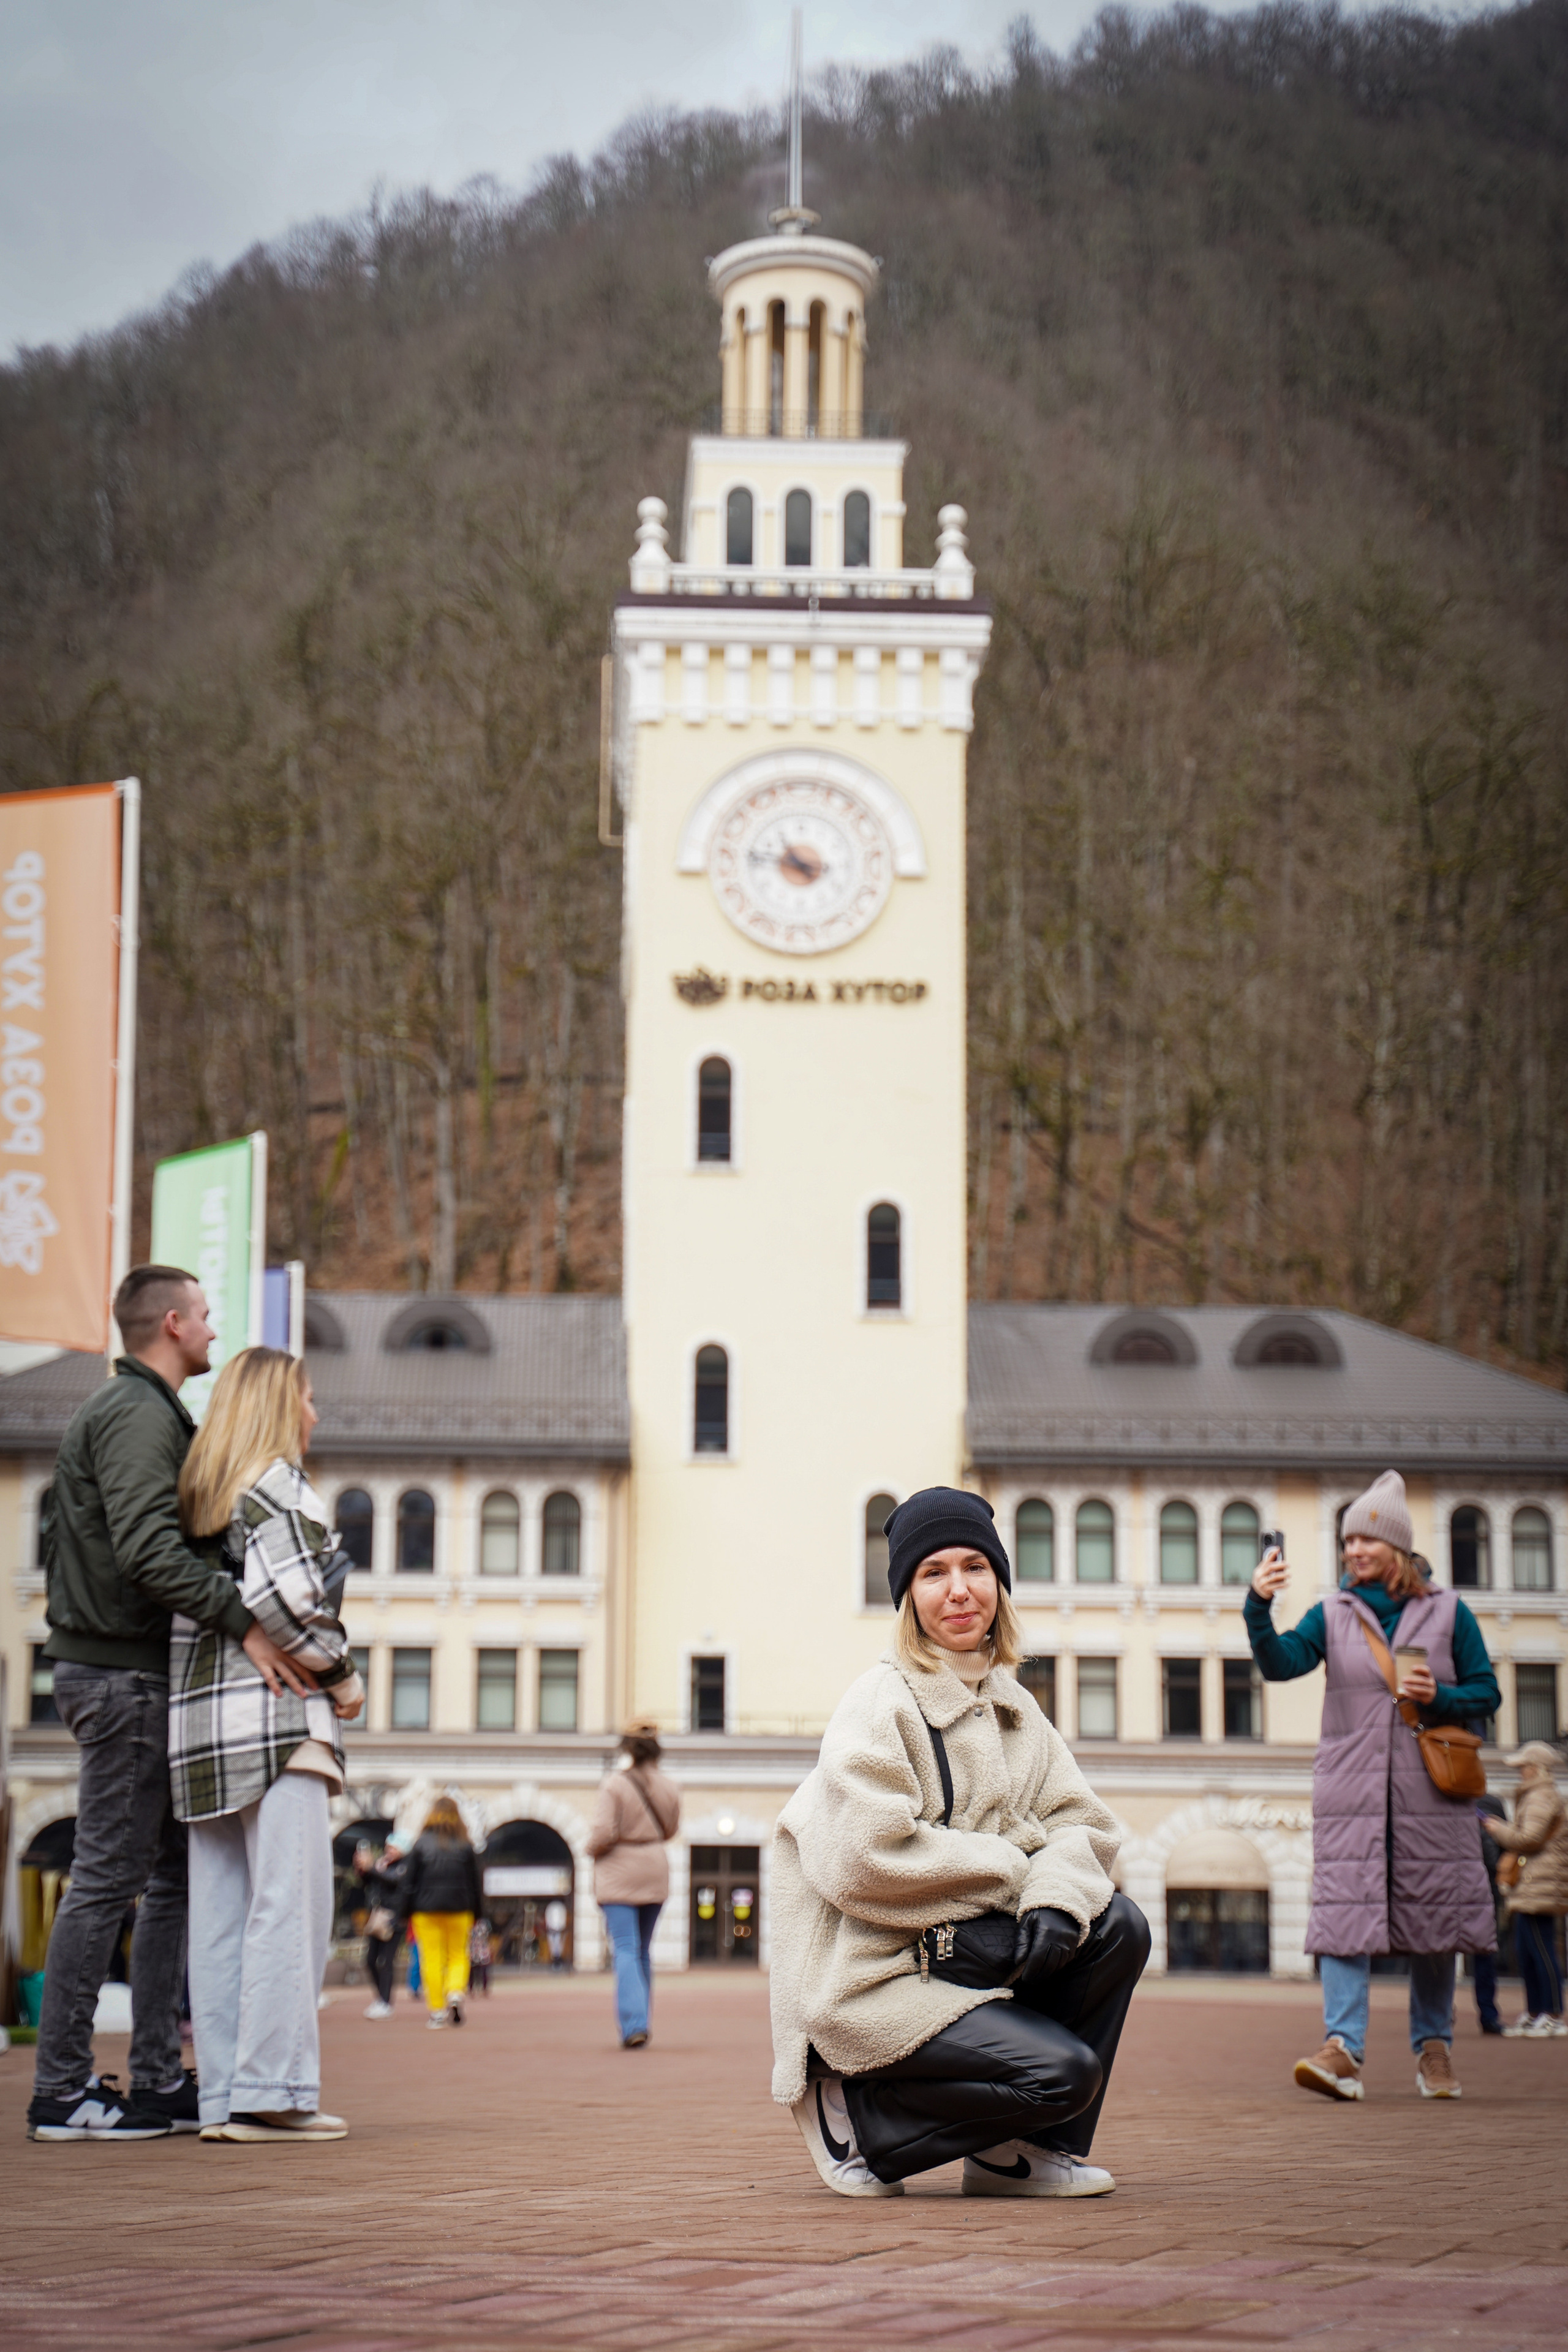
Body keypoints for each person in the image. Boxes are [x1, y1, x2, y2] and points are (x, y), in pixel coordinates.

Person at [771, 1487, 1148, 2199]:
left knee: (1118, 1926)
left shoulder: (1014, 1707)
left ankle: (1022, 2155)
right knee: (1061, 2074)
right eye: (933, 1572)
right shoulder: (879, 1703)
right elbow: (864, 1857)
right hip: (875, 1976)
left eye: (975, 1567)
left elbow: (1083, 1824)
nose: (958, 1590)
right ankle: (856, 2115)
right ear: (908, 1596)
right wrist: (1016, 1875)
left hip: (964, 1955)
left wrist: (1054, 1901)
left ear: (999, 1584)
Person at [26, 1267, 314, 2145]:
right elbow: (150, 1552)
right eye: (206, 1316)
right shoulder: (137, 1416)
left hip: (128, 1676)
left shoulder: (150, 1414)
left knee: (167, 1882)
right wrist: (251, 1623)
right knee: (113, 1880)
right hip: (120, 1680)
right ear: (175, 1323)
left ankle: (153, 2080)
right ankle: (62, 2092)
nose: (216, 1329)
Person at [1246, 1469, 1500, 2102]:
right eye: (1347, 1542)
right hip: (1351, 1793)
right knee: (1342, 1911)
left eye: (1366, 1540)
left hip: (1430, 1794)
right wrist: (1257, 1605)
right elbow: (1280, 1666)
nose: (1353, 1551)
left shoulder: (1448, 1611)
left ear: (1397, 1547)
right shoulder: (1331, 1614)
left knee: (1434, 1916)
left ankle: (1433, 2049)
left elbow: (1487, 1693)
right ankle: (1342, 2051)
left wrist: (1440, 1695)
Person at [172, 1344, 363, 2140]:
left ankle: (224, 2094)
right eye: (308, 1399)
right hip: (280, 1720)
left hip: (202, 1732)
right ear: (280, 1407)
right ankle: (274, 2089)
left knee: (218, 1916)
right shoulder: (280, 1486)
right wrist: (343, 1673)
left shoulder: (203, 1494)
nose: (316, 1413)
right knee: (290, 1907)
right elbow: (290, 1604)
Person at [587, 1719, 680, 2048]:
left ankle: (634, 2024)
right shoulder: (670, 1786)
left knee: (625, 1947)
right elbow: (670, 1830)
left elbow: (603, 1833)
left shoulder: (614, 1784)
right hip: (654, 1866)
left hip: (619, 1870)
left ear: (626, 1749)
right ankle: (642, 2020)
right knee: (643, 1951)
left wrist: (589, 1849)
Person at [1489, 1743, 1568, 2037]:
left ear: (1535, 1768)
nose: (1520, 1772)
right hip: (1536, 1883)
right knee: (1528, 1949)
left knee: (1540, 1949)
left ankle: (1551, 2014)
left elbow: (1530, 1838)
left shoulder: (1540, 1797)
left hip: (1540, 1883)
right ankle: (1537, 2012)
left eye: (1523, 1767)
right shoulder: (1540, 1796)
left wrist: (1500, 1831)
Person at [395, 1798, 482, 2028]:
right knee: (458, 1955)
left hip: (426, 1909)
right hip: (460, 1908)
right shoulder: (466, 1845)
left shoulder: (421, 1844)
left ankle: (436, 2011)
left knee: (431, 1958)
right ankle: (455, 1992)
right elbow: (476, 1884)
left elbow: (409, 1883)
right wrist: (479, 1912)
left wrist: (403, 1912)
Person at [1471, 1796, 1507, 2035]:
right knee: (1485, 1954)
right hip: (1486, 1890)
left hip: (1476, 1888)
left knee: (1440, 1954)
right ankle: (1489, 2015)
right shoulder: (1493, 1804)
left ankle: (1440, 2016)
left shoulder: (1489, 1804)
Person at [361, 1835, 409, 2019]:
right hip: (377, 1916)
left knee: (386, 1961)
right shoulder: (383, 1864)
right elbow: (371, 1883)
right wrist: (363, 1871)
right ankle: (380, 1998)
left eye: (394, 1848)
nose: (390, 1851)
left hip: (394, 1918)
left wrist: (372, 1868)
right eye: (388, 1847)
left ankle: (386, 2002)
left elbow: (392, 1881)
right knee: (370, 1960)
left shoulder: (405, 1865)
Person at [469, 1916, 494, 1996]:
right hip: (475, 1949)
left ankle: (479, 1988)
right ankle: (474, 1988)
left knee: (482, 1970)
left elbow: (489, 1936)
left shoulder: (482, 1924)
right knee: (473, 1971)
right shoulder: (470, 1923)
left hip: (479, 1949)